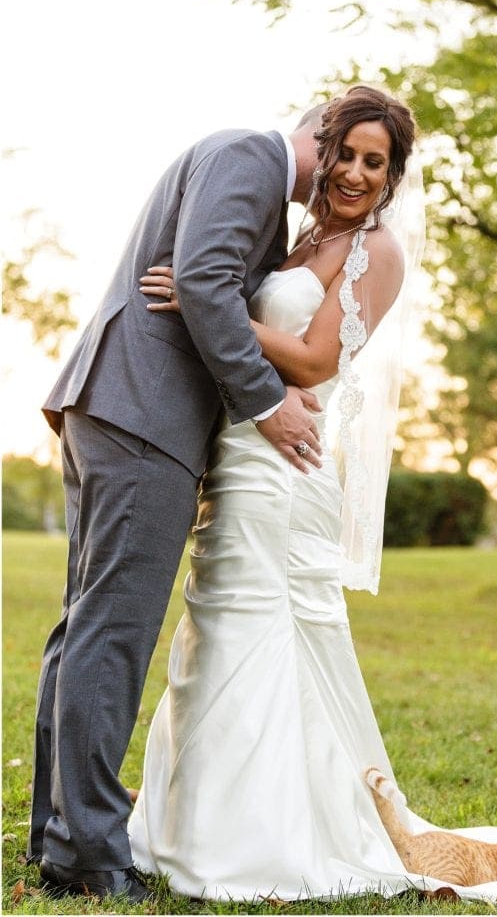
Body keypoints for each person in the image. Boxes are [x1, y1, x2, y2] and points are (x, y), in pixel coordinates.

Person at [126, 85, 429, 901]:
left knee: (255, 627)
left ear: (393, 176)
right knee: (214, 624)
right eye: (352, 155)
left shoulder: (377, 253)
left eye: (378, 162)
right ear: (325, 151)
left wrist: (206, 298)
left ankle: (256, 842)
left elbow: (317, 359)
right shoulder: (299, 241)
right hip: (239, 453)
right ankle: (190, 824)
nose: (359, 173)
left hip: (286, 469)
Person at [31, 110, 329, 904]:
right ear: (320, 131)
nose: (341, 178)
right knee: (113, 632)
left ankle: (58, 834)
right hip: (143, 415)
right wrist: (269, 402)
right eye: (340, 155)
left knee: (87, 626)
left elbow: (204, 280)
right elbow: (200, 279)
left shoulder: (247, 173)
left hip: (122, 407)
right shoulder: (249, 156)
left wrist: (219, 288)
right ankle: (90, 850)